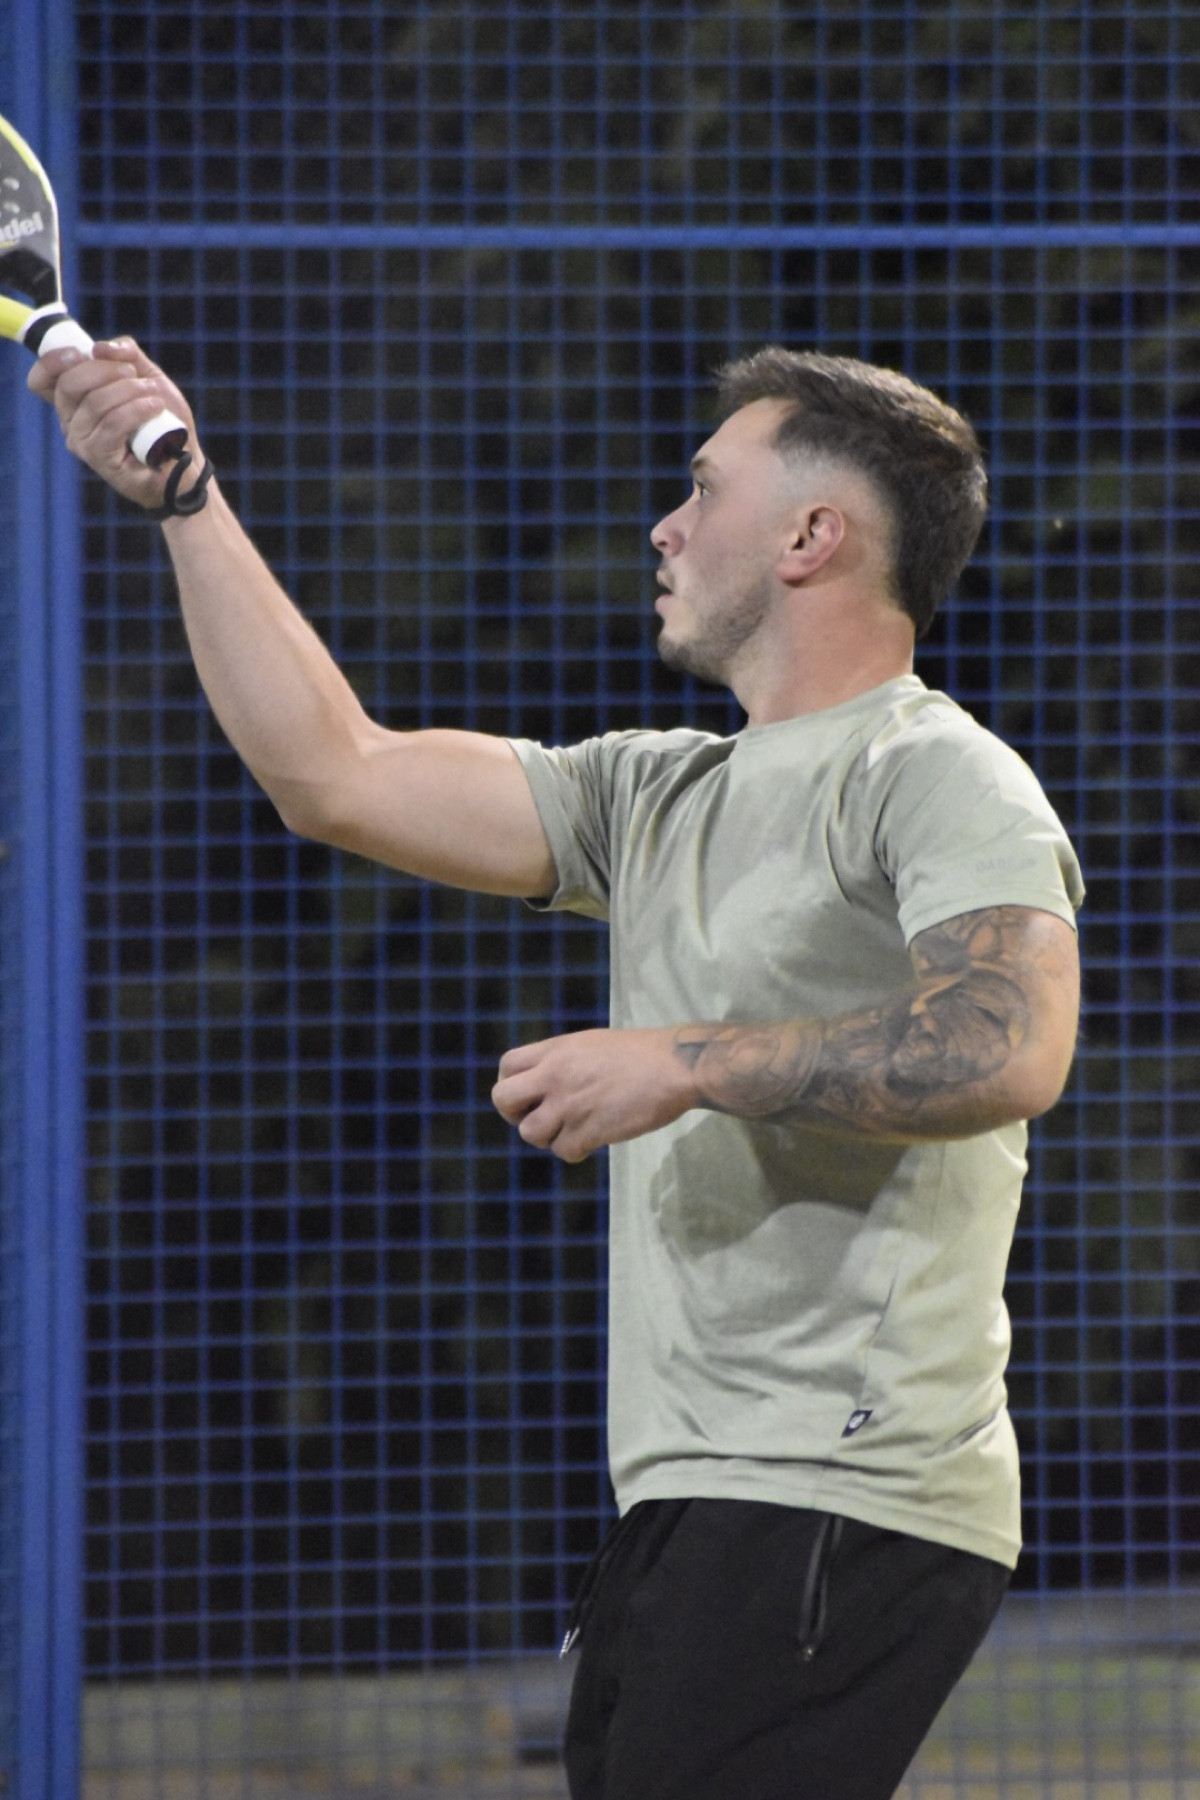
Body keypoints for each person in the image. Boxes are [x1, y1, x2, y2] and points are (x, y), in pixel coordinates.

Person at [32, 338, 1083, 1800]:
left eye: (704, 489)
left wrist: (688, 1061)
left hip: (846, 1488)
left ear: (809, 537)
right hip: (696, 1493)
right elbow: (333, 773)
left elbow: (1009, 1041)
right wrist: (186, 501)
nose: (665, 525)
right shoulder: (659, 793)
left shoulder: (934, 772)